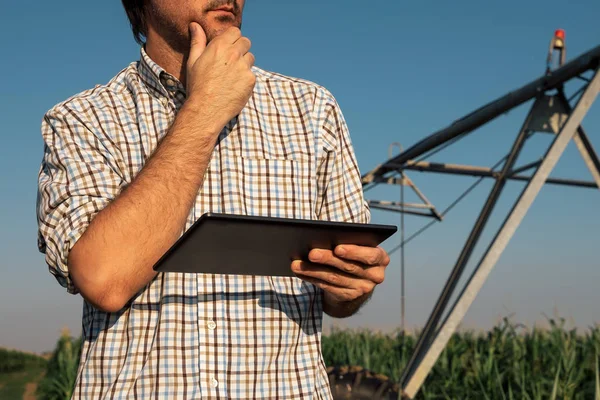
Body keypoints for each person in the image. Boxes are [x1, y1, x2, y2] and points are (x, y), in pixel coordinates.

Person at [36, 0, 390, 398]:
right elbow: (104, 279)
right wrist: (203, 110)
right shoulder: (81, 120)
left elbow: (341, 294)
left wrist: (348, 290)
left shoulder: (312, 109)